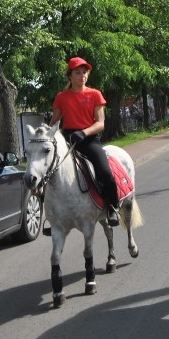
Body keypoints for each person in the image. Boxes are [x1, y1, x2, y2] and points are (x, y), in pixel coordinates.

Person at [50, 57, 120, 227]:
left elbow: (100, 123)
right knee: (47, 172)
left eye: (84, 72)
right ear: (70, 76)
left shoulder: (95, 94)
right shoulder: (62, 97)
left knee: (105, 172)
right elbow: (54, 122)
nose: (82, 76)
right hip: (67, 140)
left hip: (88, 139)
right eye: (77, 72)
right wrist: (44, 136)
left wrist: (83, 132)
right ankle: (51, 215)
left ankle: (112, 207)